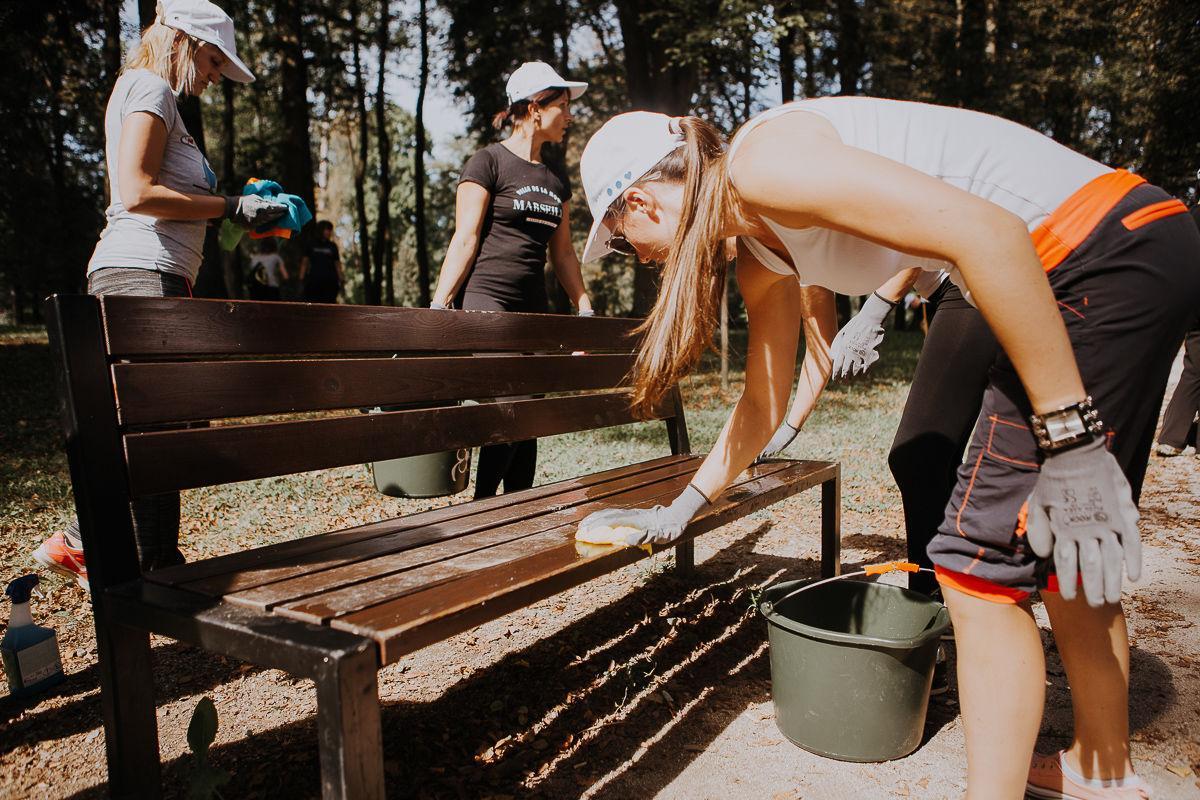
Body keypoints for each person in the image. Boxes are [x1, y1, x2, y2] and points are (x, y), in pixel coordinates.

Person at [575, 99, 1200, 799]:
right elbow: (763, 400)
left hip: (1094, 252)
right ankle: (1100, 768)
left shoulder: (763, 165)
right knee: (1062, 536)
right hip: (1131, 243)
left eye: (623, 240)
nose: (640, 258)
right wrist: (685, 506)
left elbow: (988, 231)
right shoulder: (754, 245)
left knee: (976, 564)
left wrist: (1069, 432)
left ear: (639, 202)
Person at [32, 0, 286, 588]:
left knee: (163, 423)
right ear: (184, 41)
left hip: (159, 273)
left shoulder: (153, 95)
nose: (214, 76)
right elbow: (137, 191)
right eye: (214, 60)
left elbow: (165, 194)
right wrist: (230, 206)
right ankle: (90, 542)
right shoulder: (150, 87)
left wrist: (244, 213)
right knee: (158, 425)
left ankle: (153, 562)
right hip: (139, 271)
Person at [429, 61, 594, 499]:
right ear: (535, 108)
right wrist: (439, 306)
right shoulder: (488, 162)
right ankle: (484, 509)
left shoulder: (554, 181)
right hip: (487, 299)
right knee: (507, 407)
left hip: (532, 305)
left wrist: (583, 306)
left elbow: (563, 254)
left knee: (530, 415)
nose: (570, 115)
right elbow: (465, 237)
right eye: (563, 105)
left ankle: (519, 508)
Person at [1154, 203, 1200, 457]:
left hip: (1190, 298)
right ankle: (1172, 436)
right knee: (1195, 369)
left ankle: (1175, 435)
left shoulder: (1189, 216)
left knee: (1196, 366)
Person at [300, 220, 342, 303]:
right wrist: (301, 278)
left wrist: (341, 278)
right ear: (321, 230)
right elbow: (305, 262)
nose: (329, 232)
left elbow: (337, 263)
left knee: (329, 305)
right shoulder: (311, 244)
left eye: (330, 230)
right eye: (327, 229)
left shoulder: (333, 246)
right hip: (314, 281)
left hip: (330, 282)